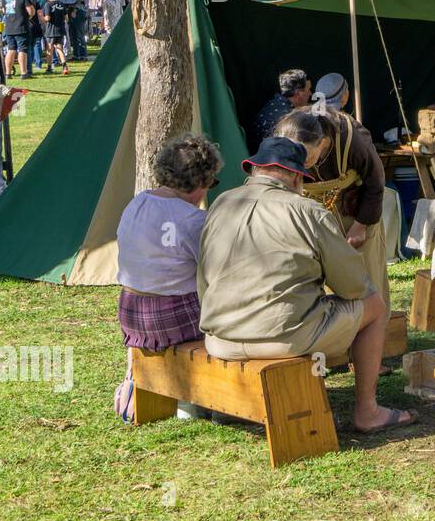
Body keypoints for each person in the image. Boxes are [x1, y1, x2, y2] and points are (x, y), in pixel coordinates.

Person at [197, 135, 414, 432]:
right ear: (298, 178)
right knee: (374, 306)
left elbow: (203, 279)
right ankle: (368, 411)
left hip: (219, 337)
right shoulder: (308, 211)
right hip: (282, 338)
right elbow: (354, 288)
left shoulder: (221, 203)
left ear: (255, 170)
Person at [115, 134, 223, 418]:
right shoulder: (192, 220)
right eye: (211, 182)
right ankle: (198, 400)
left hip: (129, 312)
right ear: (200, 181)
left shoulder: (136, 203)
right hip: (171, 317)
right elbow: (220, 273)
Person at [273, 106, 390, 308]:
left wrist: (360, 226)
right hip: (307, 211)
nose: (299, 163)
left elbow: (375, 183)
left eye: (305, 156)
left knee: (365, 275)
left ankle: (373, 326)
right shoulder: (285, 135)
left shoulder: (354, 141)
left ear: (323, 143)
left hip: (353, 211)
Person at [254, 69, 311, 139]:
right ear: (298, 93)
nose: (310, 93)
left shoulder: (275, 103)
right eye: (309, 90)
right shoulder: (287, 118)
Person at [1, 0, 34, 80]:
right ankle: (24, 73)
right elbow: (30, 11)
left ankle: (8, 73)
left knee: (11, 50)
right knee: (22, 50)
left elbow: (3, 11)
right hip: (21, 26)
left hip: (9, 27)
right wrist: (30, 16)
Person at [40, 0, 69, 75]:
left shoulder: (48, 5)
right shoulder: (61, 4)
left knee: (50, 49)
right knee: (59, 48)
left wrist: (42, 17)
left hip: (51, 30)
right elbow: (66, 18)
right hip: (60, 29)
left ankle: (49, 68)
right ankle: (64, 66)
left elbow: (47, 18)